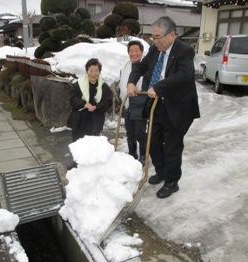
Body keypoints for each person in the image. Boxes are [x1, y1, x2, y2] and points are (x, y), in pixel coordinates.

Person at [128, 16, 200, 199]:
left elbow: (185, 76)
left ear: (172, 35)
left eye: (158, 36)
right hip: (155, 104)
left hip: (177, 107)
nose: (154, 40)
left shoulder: (184, 52)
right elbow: (140, 67)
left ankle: (172, 181)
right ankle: (161, 172)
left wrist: (159, 87)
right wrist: (131, 82)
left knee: (172, 145)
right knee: (151, 141)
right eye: (152, 36)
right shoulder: (154, 49)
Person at [67, 58, 113, 142]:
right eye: (91, 70)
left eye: (96, 71)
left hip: (95, 121)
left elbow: (108, 101)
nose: (93, 73)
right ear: (86, 70)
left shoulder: (103, 86)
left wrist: (97, 106)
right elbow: (72, 98)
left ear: (99, 71)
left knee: (92, 145)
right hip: (79, 120)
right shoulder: (79, 84)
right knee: (78, 144)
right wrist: (84, 104)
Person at [118, 40, 148, 164]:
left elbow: (150, 85)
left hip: (141, 103)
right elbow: (122, 83)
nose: (134, 53)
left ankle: (143, 155)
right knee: (130, 132)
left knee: (139, 133)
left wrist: (139, 90)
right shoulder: (125, 66)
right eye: (131, 51)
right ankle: (132, 154)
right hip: (128, 103)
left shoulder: (146, 66)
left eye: (136, 51)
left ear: (141, 52)